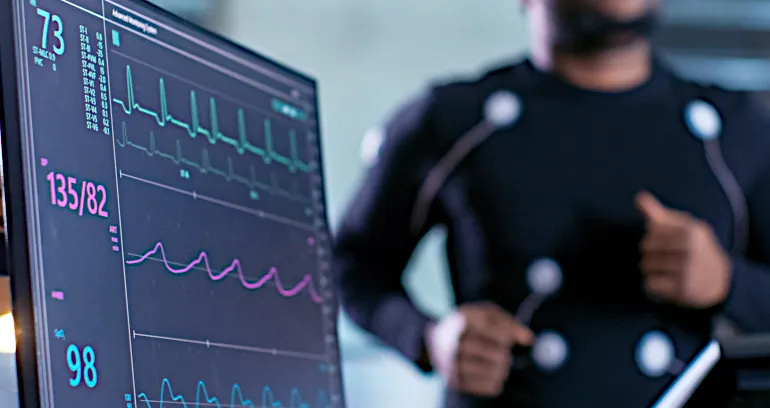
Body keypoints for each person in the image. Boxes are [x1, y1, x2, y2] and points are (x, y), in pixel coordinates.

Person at [332, 0, 770, 406]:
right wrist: (429, 337)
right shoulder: (451, 119)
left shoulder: (737, 129)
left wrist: (727, 283)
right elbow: (348, 266)